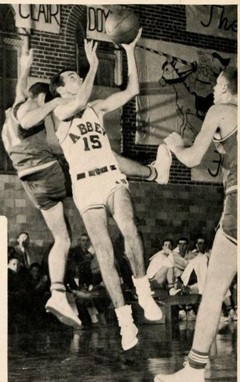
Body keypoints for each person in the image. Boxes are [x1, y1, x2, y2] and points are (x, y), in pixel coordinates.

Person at [49, 29, 162, 351]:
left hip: (110, 176)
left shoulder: (96, 108)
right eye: (72, 76)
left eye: (78, 74)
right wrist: (94, 64)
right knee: (104, 253)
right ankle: (125, 320)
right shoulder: (59, 111)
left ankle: (143, 291)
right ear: (60, 88)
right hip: (85, 184)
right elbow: (80, 99)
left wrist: (129, 50)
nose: (77, 77)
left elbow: (133, 89)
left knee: (130, 228)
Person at [154, 66, 237, 381]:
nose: (213, 90)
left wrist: (175, 145)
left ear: (227, 88)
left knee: (214, 290)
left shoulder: (221, 109)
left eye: (217, 84)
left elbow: (190, 159)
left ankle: (194, 371)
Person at [2, 43, 81, 328]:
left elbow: (20, 92)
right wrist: (54, 103)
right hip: (46, 171)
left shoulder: (13, 106)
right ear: (40, 96)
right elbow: (29, 115)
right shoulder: (30, 107)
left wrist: (24, 67)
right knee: (93, 169)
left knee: (63, 238)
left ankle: (57, 292)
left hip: (30, 182)